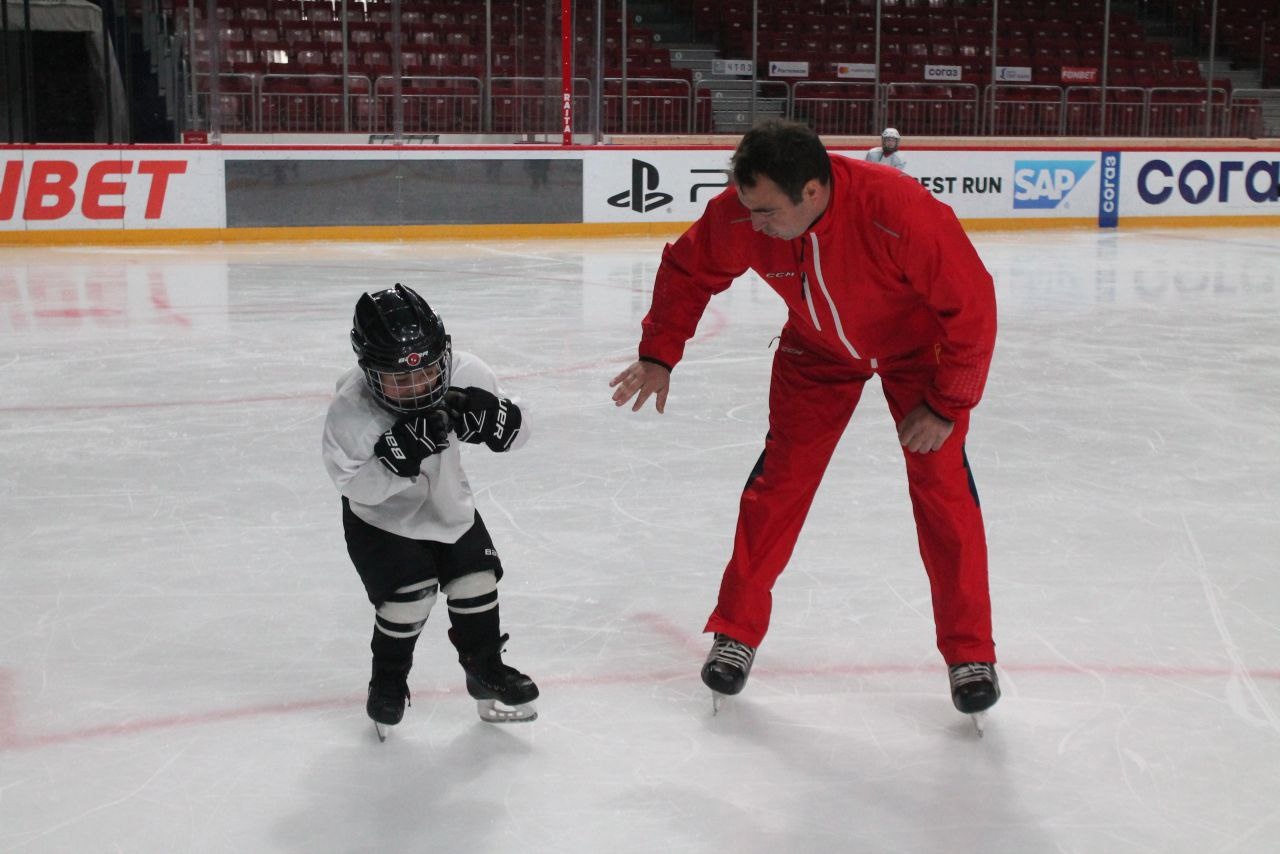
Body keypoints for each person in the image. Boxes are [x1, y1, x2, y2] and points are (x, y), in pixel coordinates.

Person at [608, 119, 999, 724]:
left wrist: (947, 403)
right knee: (778, 486)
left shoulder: (899, 211)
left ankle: (970, 654)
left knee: (942, 487)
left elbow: (972, 307)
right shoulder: (744, 211)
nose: (753, 222)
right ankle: (735, 632)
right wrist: (660, 352)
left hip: (920, 354)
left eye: (766, 212)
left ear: (812, 192)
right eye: (747, 206)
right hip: (815, 353)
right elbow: (689, 269)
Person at [322, 283, 538, 739]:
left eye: (426, 372)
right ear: (370, 372)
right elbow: (353, 486)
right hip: (379, 521)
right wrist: (394, 460)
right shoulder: (351, 408)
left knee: (476, 582)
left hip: (447, 503)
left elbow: (522, 427)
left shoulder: (466, 372)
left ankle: (485, 667)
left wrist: (500, 421)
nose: (419, 386)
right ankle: (387, 682)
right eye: (401, 380)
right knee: (409, 601)